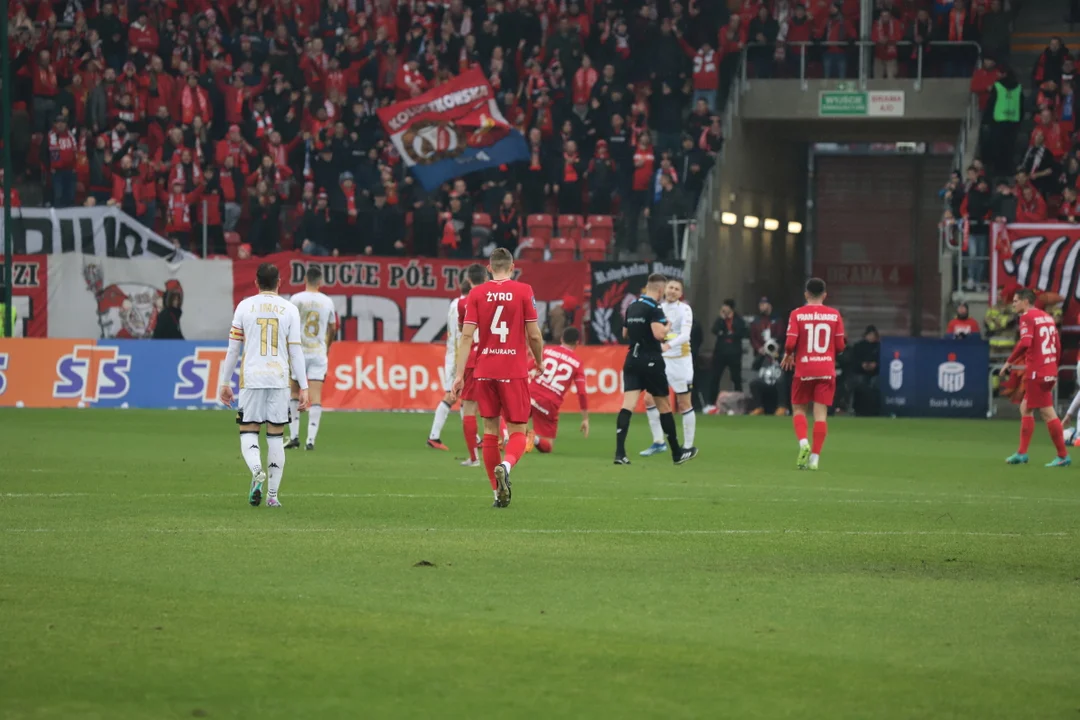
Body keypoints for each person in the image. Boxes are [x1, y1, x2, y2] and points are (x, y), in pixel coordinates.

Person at [454, 249, 544, 508]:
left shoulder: (476, 294)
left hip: (484, 371)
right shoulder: (524, 290)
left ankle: (497, 493)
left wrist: (460, 375)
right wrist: (538, 360)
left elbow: (467, 337)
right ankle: (506, 465)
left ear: (490, 268)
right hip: (513, 371)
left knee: (491, 431)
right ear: (512, 267)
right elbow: (534, 335)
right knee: (518, 430)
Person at [218, 262, 310, 508]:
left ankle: (257, 470)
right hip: (279, 379)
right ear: (279, 282)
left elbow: (233, 349)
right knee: (276, 437)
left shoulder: (244, 306)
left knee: (248, 431)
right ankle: (272, 496)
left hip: (252, 378)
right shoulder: (289, 309)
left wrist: (224, 382)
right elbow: (295, 351)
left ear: (256, 283)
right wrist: (304, 386)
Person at [614, 273, 697, 466]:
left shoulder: (632, 306)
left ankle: (620, 453)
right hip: (651, 360)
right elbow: (659, 335)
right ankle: (677, 452)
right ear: (661, 290)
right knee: (664, 406)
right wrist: (666, 327)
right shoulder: (655, 307)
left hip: (632, 359)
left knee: (628, 406)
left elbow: (625, 333)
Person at [781, 278, 845, 471]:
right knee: (821, 415)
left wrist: (789, 355)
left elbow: (790, 343)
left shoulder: (797, 314)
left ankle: (803, 443)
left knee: (799, 409)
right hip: (826, 370)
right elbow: (841, 346)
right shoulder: (834, 315)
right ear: (825, 295)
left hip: (805, 370)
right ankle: (815, 459)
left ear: (806, 294)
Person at [1000, 288, 1070, 466]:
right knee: (1026, 407)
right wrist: (1053, 366)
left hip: (1036, 371)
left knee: (1047, 412)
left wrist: (1009, 362)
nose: (1013, 304)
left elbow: (1025, 342)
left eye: (1016, 301)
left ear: (1025, 301)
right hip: (1049, 369)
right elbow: (1057, 344)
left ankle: (1062, 455)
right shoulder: (1047, 317)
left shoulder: (1027, 317)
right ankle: (1022, 453)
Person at [641, 279, 697, 456]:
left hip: (680, 361)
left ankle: (688, 446)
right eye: (670, 287)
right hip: (662, 361)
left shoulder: (685, 309)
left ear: (681, 293)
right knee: (649, 399)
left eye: (676, 289)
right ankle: (658, 442)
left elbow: (685, 335)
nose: (672, 291)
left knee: (683, 403)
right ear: (664, 290)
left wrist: (668, 345)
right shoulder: (657, 309)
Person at [286, 266, 337, 451]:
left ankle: (293, 437)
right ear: (320, 282)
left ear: (305, 279)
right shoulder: (328, 302)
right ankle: (310, 441)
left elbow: (287, 324)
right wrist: (327, 345)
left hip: (298, 351)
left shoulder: (296, 299)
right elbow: (333, 328)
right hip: (318, 352)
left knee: (293, 394)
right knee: (316, 397)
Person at [428, 278, 472, 451]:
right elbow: (461, 333)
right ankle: (433, 436)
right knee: (452, 396)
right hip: (458, 356)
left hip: (455, 354)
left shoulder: (455, 304)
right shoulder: (462, 306)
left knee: (464, 397)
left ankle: (473, 438)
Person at [528, 327, 589, 453]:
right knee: (547, 447)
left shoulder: (547, 351)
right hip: (549, 403)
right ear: (577, 343)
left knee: (509, 419)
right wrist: (585, 418)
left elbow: (527, 367)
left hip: (530, 394)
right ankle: (535, 439)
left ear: (561, 339)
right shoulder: (577, 363)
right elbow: (582, 392)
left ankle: (506, 437)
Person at [455, 264, 491, 468]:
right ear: (486, 278)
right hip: (492, 357)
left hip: (471, 360)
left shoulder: (463, 303)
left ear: (468, 280)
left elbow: (463, 331)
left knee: (468, 409)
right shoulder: (494, 301)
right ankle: (505, 444)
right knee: (495, 407)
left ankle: (474, 458)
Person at [707, 299, 746, 411]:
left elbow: (740, 333)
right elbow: (714, 330)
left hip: (734, 354)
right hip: (720, 353)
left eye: (726, 307)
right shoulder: (720, 320)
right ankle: (711, 403)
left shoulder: (738, 320)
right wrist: (721, 320)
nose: (724, 309)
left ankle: (740, 403)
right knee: (715, 377)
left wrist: (727, 334)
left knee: (736, 378)